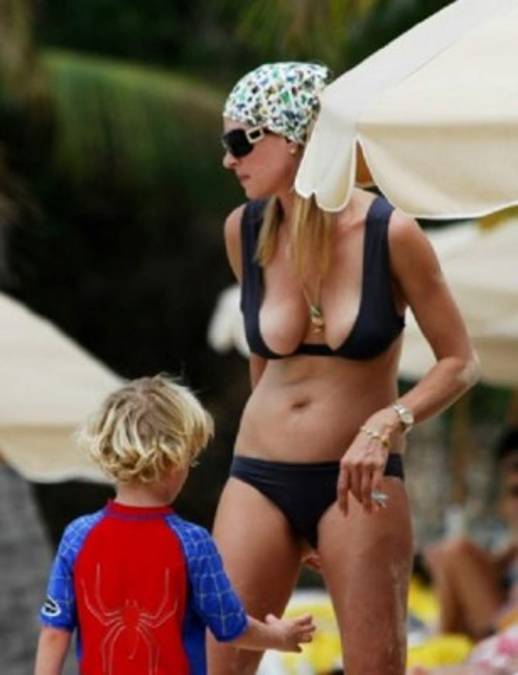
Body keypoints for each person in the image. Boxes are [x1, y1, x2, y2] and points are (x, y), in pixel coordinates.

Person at [208, 61, 479, 675]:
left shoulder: (391, 234)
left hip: (357, 481)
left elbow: (460, 361)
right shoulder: (244, 231)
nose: (228, 160)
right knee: (218, 664)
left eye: (239, 141)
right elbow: (263, 362)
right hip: (258, 477)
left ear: (294, 137)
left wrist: (389, 421)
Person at [34, 374, 315, 675]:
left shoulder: (77, 536)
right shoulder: (193, 542)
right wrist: (279, 637)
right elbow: (230, 626)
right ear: (175, 460)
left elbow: (54, 631)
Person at [424, 427, 518, 641]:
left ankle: (443, 638)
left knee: (455, 552)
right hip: (502, 620)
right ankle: (443, 637)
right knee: (449, 553)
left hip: (505, 628)